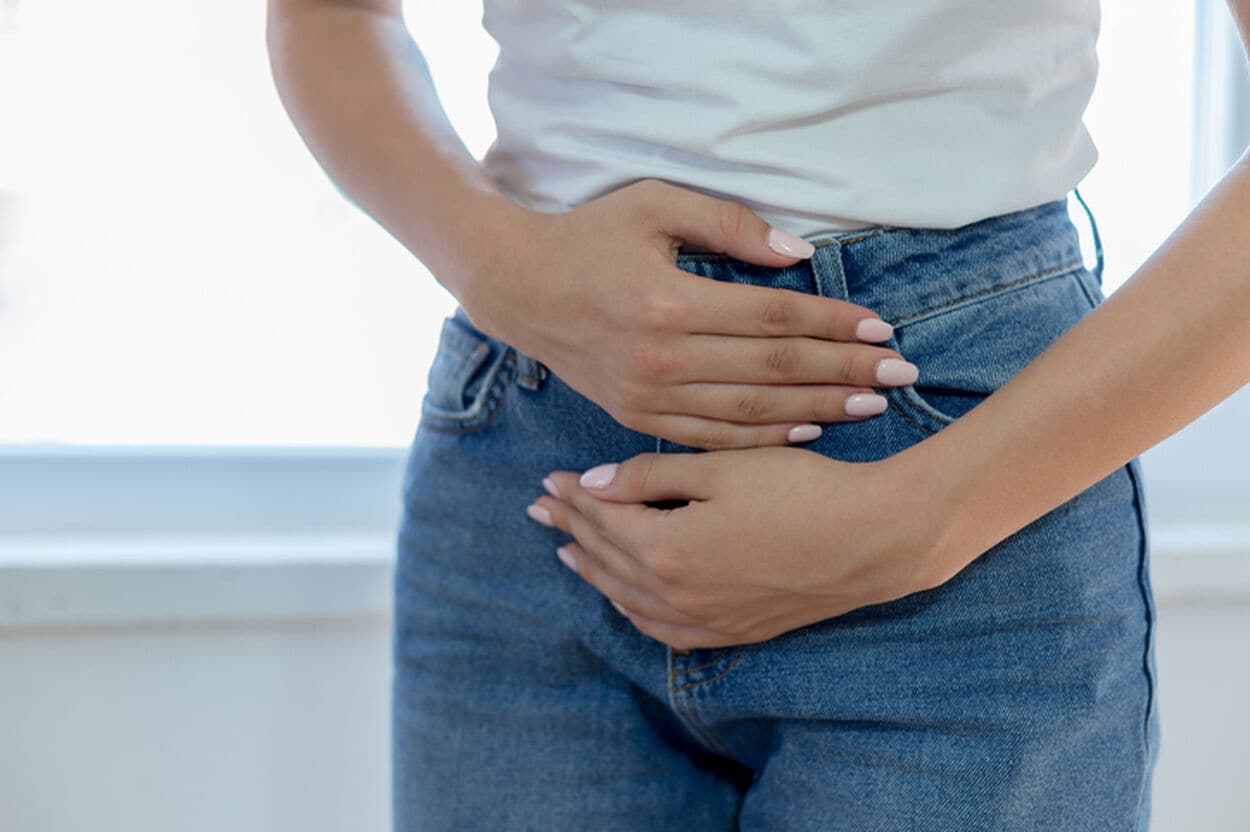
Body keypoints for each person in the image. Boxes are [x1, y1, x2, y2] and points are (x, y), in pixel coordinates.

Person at [266, 0, 1250, 828]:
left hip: (961, 467)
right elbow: (331, 15)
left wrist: (920, 517)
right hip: (527, 461)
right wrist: (498, 267)